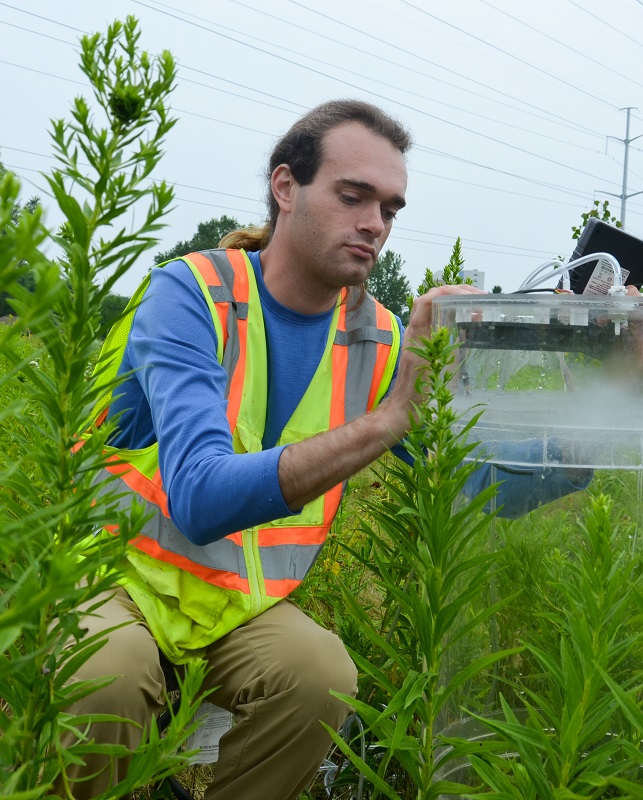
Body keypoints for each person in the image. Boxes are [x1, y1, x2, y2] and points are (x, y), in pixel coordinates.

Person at [62, 99, 593, 800]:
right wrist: (387, 421)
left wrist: (605, 419)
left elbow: (470, 482)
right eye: (354, 196)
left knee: (320, 675)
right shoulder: (191, 295)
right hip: (114, 583)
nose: (375, 224)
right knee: (112, 666)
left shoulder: (376, 337)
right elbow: (197, 497)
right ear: (286, 188)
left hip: (231, 610)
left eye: (391, 209)